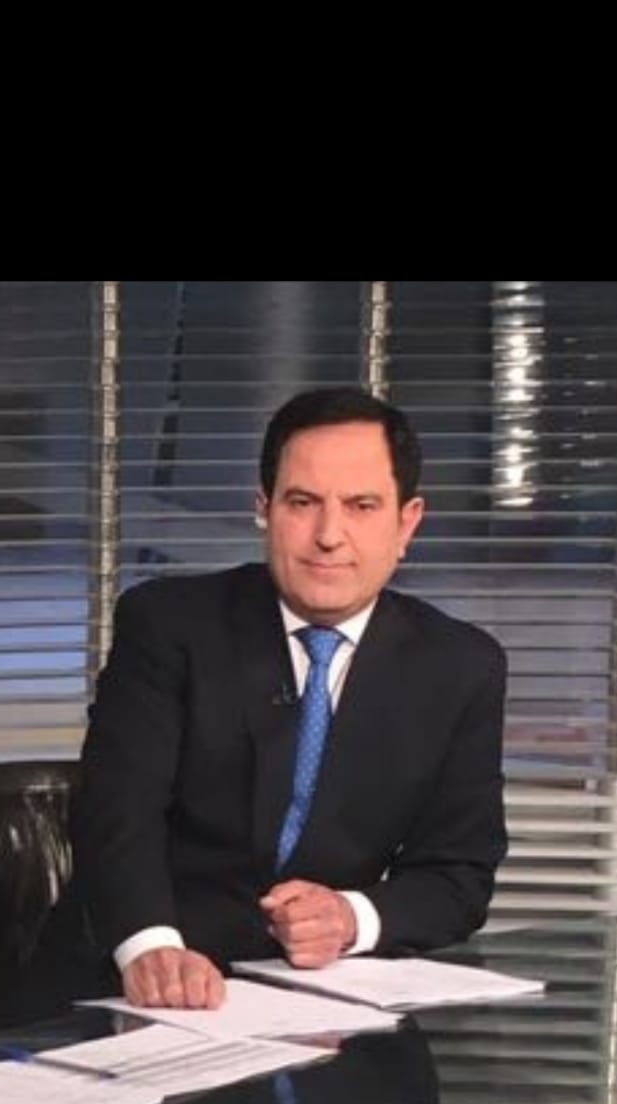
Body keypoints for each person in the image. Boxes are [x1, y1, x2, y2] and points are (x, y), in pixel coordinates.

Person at [71, 386, 508, 1011]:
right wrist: (151, 948)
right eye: (303, 503)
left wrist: (350, 918)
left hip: (326, 1004)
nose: (329, 535)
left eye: (361, 506)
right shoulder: (168, 625)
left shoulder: (459, 666)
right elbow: (118, 813)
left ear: (407, 522)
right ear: (265, 509)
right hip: (136, 988)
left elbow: (458, 875)